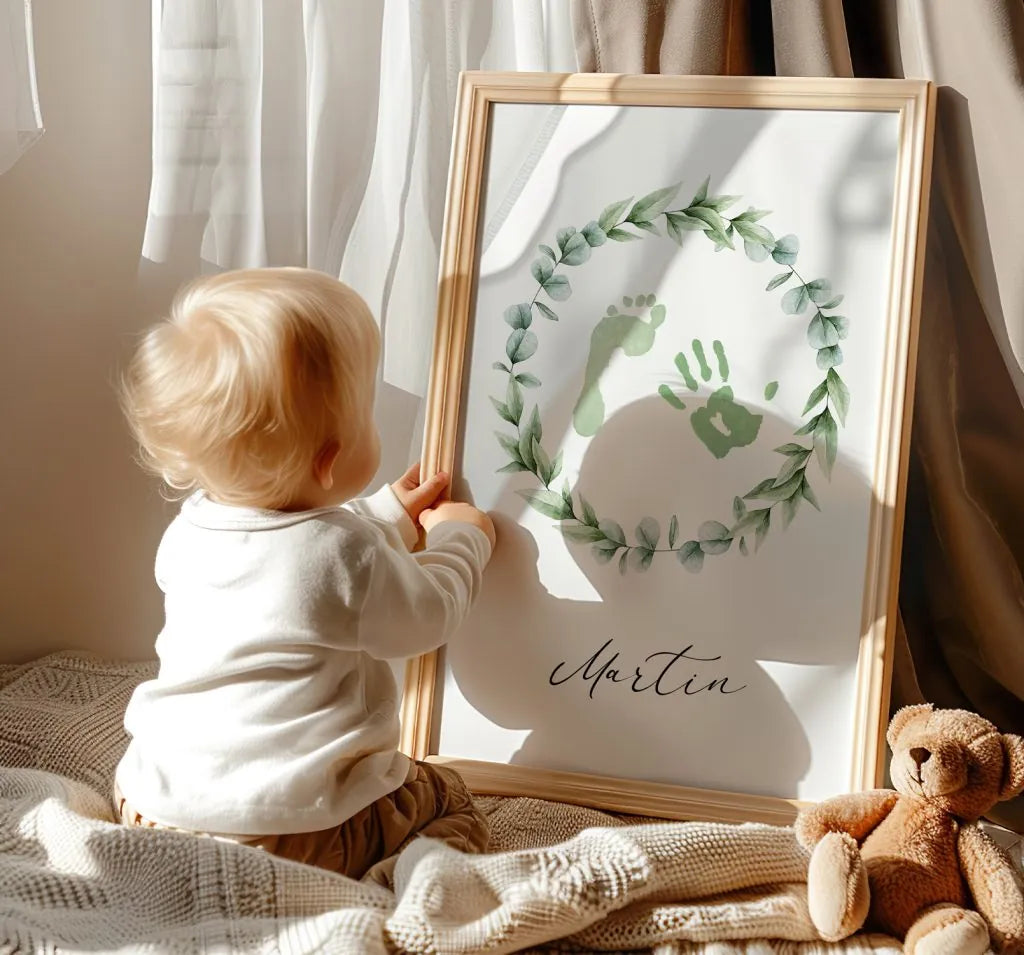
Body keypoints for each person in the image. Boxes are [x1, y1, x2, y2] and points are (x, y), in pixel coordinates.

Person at [112, 267, 495, 884]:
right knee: (443, 795)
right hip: (288, 834)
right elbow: (427, 612)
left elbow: (298, 570)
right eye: (368, 412)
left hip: (152, 804)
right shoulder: (342, 554)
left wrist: (390, 514)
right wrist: (462, 540)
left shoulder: (191, 531)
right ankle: (427, 885)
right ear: (330, 461)